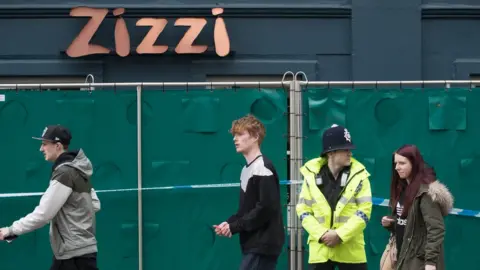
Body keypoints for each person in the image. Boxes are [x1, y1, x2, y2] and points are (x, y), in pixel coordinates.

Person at [0, 125, 101, 270]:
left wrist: (11, 230)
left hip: (72, 256)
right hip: (80, 251)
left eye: (44, 144)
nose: (41, 149)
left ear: (58, 146)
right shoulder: (78, 170)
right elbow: (95, 204)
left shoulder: (64, 174)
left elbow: (44, 214)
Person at [213, 114, 285, 270]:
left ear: (255, 137)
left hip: (263, 244)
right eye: (234, 135)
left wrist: (235, 226)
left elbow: (265, 208)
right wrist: (229, 223)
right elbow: (246, 209)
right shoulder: (246, 170)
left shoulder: (263, 167)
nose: (235, 139)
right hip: (253, 245)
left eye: (240, 134)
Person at [296, 124, 373, 270]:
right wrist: (322, 234)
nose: (350, 153)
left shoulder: (360, 176)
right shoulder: (310, 176)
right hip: (321, 251)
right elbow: (303, 210)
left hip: (351, 252)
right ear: (330, 153)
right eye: (345, 149)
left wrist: (339, 235)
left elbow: (364, 212)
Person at [381, 144, 453, 270]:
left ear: (414, 164)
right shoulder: (403, 189)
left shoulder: (425, 193)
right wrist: (392, 224)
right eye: (396, 163)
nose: (397, 167)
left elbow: (436, 229)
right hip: (402, 254)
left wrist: (430, 262)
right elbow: (411, 225)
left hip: (417, 261)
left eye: (402, 163)